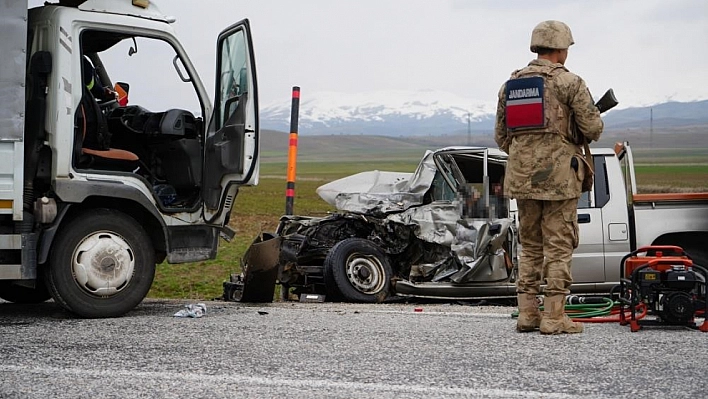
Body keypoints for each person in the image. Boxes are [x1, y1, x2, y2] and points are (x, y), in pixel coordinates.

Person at [494, 20, 603, 334]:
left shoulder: (511, 85)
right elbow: (593, 129)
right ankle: (554, 318)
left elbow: (502, 138)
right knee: (558, 247)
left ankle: (527, 315)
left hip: (521, 179)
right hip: (558, 180)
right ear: (561, 48)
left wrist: (529, 150)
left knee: (529, 247)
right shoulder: (569, 83)